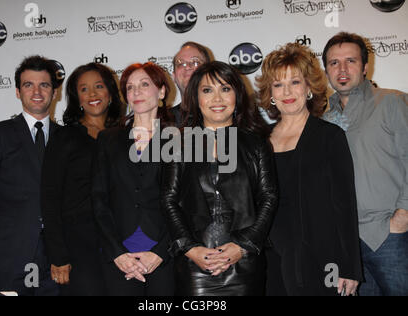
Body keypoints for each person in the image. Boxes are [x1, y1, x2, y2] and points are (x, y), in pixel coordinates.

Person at [161, 61, 278, 296]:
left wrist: (243, 245)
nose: (217, 98)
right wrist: (190, 248)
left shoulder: (256, 143)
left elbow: (269, 197)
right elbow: (168, 199)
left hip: (244, 264)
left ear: (237, 95)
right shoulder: (179, 143)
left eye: (225, 89)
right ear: (196, 97)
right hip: (195, 267)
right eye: (207, 90)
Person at [257, 43, 363, 296]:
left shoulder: (330, 137)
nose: (287, 91)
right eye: (278, 84)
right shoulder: (260, 143)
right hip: (274, 259)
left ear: (308, 88)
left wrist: (350, 267)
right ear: (270, 93)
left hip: (324, 258)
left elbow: (345, 205)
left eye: (295, 82)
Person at [0, 56, 61, 296]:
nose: (37, 91)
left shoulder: (68, 138)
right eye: (29, 85)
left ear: (55, 92)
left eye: (44, 85)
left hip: (58, 258)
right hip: (8, 256)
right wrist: (7, 229)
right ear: (18, 92)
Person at [322, 32, 408, 296]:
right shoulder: (324, 120)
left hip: (389, 235)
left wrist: (402, 216)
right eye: (334, 63)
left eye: (351, 61)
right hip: (348, 241)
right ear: (326, 71)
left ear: (365, 67)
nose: (343, 69)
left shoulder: (392, 101)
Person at [92, 62, 174, 296]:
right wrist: (117, 252)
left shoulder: (178, 139)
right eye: (130, 87)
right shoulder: (108, 139)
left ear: (161, 91)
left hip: (163, 255)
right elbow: (99, 199)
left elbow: (183, 202)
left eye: (144, 84)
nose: (136, 92)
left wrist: (161, 252)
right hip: (119, 256)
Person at [40, 63, 123, 295]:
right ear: (76, 97)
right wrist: (58, 256)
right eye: (84, 89)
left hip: (121, 242)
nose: (93, 94)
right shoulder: (64, 138)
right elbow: (50, 197)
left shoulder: (126, 136)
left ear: (110, 92)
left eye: (99, 86)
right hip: (78, 246)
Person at [171, 41, 212, 126]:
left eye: (195, 62)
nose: (188, 67)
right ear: (174, 76)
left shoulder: (226, 116)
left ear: (209, 72)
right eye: (181, 63)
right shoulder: (164, 121)